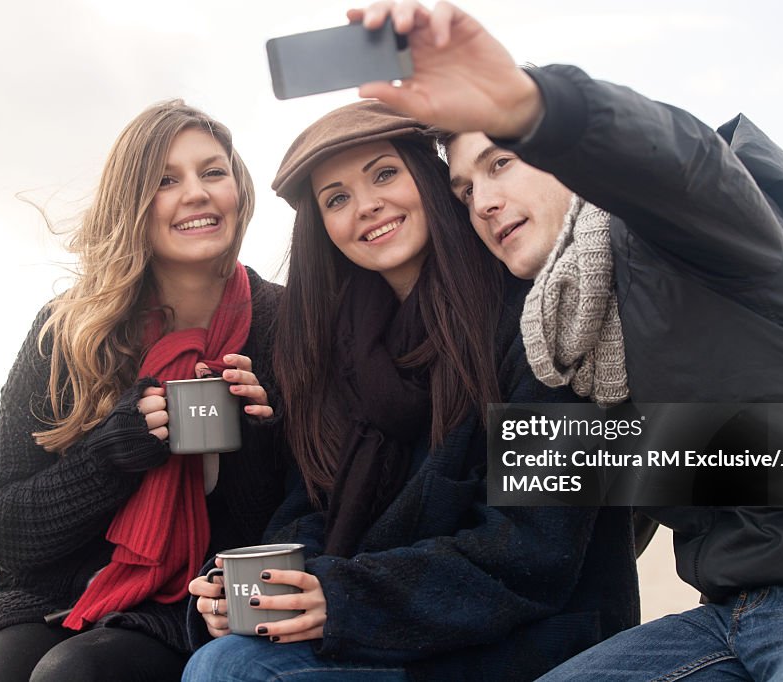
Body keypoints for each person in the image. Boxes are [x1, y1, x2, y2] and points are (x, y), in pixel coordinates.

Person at [353, 2, 783, 681]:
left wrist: (533, 107)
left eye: (502, 164)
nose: (483, 202)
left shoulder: (684, 234)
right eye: (464, 191)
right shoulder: (562, 333)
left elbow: (680, 163)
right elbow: (556, 509)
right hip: (726, 609)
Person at [181, 100, 639, 682]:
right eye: (337, 198)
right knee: (223, 653)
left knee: (233, 671)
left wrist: (345, 599)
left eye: (384, 173)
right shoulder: (331, 350)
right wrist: (253, 593)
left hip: (524, 642)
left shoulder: (535, 319)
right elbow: (309, 511)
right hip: (383, 633)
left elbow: (532, 551)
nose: (367, 205)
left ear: (429, 179)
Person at [0, 100, 290, 682]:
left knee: (74, 675)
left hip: (192, 604)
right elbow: (2, 531)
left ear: (238, 189)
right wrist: (112, 453)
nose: (196, 193)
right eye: (165, 181)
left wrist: (258, 436)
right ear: (132, 203)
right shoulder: (70, 328)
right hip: (50, 593)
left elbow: (288, 528)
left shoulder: (285, 323)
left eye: (212, 172)